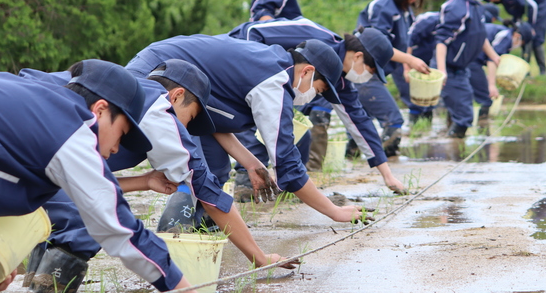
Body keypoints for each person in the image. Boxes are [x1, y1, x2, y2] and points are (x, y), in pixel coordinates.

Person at [18, 59, 294, 292]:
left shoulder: (125, 96)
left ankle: (32, 282)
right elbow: (208, 194)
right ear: (176, 97)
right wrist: (258, 256)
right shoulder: (159, 113)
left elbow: (73, 182)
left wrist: (144, 181)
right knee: (88, 219)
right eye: (190, 117)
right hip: (21, 130)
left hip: (20, 122)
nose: (185, 130)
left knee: (55, 205)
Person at [126, 35, 372, 225]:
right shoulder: (274, 81)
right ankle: (174, 233)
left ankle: (197, 227)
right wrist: (334, 211)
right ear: (307, 71)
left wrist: (252, 164)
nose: (312, 96)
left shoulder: (269, 65)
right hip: (155, 75)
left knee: (216, 168)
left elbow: (213, 119)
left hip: (161, 69)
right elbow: (287, 164)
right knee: (190, 167)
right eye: (317, 90)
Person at [0, 60, 196, 293]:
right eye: (121, 134)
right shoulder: (71, 133)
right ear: (100, 110)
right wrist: (184, 289)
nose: (116, 149)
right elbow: (123, 231)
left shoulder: (27, 99)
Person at [229, 16, 409, 194]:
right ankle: (245, 182)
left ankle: (288, 184)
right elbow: (252, 31)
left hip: (273, 84)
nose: (368, 77)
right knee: (263, 117)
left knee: (300, 136)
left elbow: (359, 121)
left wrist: (387, 175)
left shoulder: (341, 80)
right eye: (371, 71)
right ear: (358, 56)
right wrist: (257, 69)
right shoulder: (313, 34)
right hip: (239, 60)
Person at [353, 0, 432, 155]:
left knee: (361, 125)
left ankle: (352, 162)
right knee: (393, 120)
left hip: (373, 74)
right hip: (361, 71)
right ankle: (385, 164)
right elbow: (378, 46)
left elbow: (404, 43)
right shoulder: (383, 8)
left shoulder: (406, 10)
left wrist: (407, 67)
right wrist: (409, 60)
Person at [433, 0, 501, 138]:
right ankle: (452, 153)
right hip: (449, 68)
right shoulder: (457, 7)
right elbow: (441, 41)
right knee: (465, 115)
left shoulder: (476, 6)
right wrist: (442, 71)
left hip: (463, 68)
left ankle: (450, 146)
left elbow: (480, 35)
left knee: (462, 109)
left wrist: (494, 56)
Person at [468, 22, 535, 122]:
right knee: (485, 99)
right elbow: (492, 60)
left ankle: (453, 125)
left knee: (461, 95)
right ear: (517, 36)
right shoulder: (506, 38)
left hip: (470, 59)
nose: (519, 45)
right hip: (471, 61)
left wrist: (488, 77)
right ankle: (482, 129)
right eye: (522, 43)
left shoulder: (502, 32)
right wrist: (491, 85)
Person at [486, 0, 546, 75]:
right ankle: (525, 71)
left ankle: (543, 71)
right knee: (523, 35)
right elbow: (517, 14)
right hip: (532, 9)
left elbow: (532, 6)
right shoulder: (504, 0)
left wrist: (531, 27)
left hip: (541, 6)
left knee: (535, 37)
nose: (492, 1)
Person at [406, 11, 441, 125]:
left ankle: (427, 126)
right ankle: (413, 124)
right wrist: (406, 68)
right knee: (414, 92)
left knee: (430, 94)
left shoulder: (454, 24)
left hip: (430, 59)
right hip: (412, 58)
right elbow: (408, 42)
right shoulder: (428, 21)